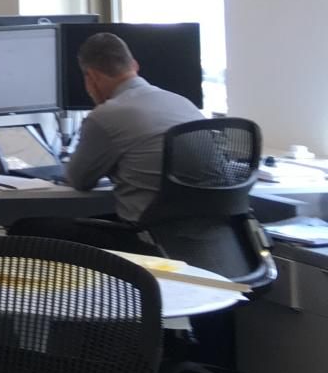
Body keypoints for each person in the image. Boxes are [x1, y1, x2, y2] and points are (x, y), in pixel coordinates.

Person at [13, 31, 203, 247]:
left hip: (146, 237)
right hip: (202, 235)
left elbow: (79, 180)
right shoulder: (182, 103)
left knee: (25, 228)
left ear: (92, 77)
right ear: (135, 65)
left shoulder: (107, 115)